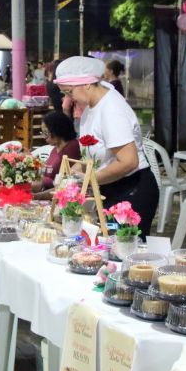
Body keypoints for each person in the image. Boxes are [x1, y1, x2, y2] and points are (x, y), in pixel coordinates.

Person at [56, 56, 158, 238]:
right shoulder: (90, 109)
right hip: (109, 187)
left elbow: (129, 161)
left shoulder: (112, 109)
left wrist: (89, 180)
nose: (68, 98)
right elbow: (91, 155)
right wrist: (70, 176)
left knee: (121, 252)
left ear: (86, 84)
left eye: (69, 92)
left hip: (131, 188)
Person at [33, 111, 81, 194]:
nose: (44, 137)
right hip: (46, 192)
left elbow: (65, 183)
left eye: (46, 133)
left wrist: (38, 194)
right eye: (43, 133)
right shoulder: (55, 149)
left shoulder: (72, 148)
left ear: (57, 130)